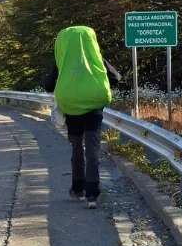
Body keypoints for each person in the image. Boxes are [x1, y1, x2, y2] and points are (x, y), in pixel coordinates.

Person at [44, 26, 123, 209]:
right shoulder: (96, 58)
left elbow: (48, 85)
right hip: (94, 110)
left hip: (72, 110)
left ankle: (78, 188)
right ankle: (92, 193)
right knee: (92, 149)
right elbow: (116, 78)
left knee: (77, 147)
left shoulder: (63, 60)